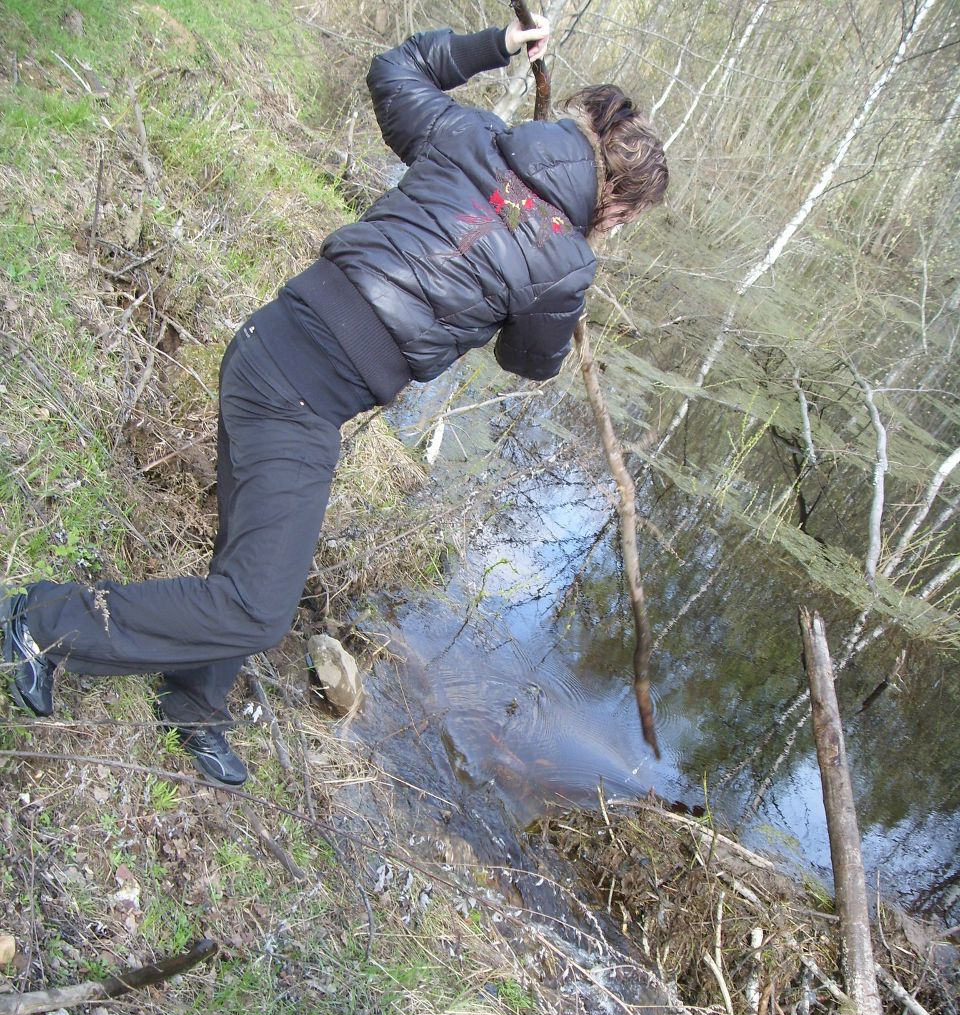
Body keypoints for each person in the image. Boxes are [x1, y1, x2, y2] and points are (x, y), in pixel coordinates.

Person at [2, 18, 667, 786]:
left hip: (277, 347)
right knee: (258, 606)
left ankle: (194, 702)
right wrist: (566, 279)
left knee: (258, 555)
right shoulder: (565, 259)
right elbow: (530, 360)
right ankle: (42, 625)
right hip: (292, 391)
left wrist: (500, 45)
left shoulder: (475, 135)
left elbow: (397, 67)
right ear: (617, 206)